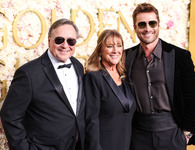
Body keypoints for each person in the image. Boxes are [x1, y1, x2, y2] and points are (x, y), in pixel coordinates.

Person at [1, 18, 85, 150]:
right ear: (49, 40)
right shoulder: (28, 73)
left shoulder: (78, 66)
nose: (65, 45)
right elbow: (9, 116)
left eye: (71, 41)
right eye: (59, 40)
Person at [125, 3, 195, 150]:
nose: (147, 28)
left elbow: (191, 97)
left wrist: (186, 133)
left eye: (152, 23)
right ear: (135, 28)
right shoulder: (126, 57)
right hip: (138, 135)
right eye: (142, 24)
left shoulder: (180, 56)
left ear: (159, 25)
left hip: (172, 134)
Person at [84, 29, 136, 150]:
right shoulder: (93, 78)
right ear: (100, 50)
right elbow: (91, 121)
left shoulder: (124, 77)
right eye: (109, 46)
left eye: (119, 46)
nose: (115, 50)